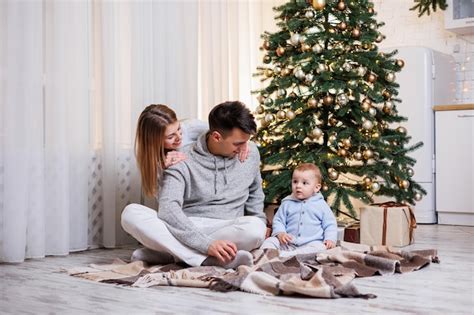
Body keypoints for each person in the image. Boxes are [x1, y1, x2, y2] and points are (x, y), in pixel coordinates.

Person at [122, 101, 266, 268]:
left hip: (227, 226)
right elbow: (169, 209)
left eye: (245, 141)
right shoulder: (178, 159)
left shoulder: (250, 151)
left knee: (255, 228)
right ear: (217, 137)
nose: (243, 147)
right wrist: (207, 245)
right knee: (131, 213)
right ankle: (204, 259)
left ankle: (171, 253)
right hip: (187, 224)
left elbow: (255, 192)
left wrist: (260, 221)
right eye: (238, 143)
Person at [261, 163, 337, 256]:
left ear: (316, 187)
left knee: (320, 248)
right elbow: (278, 220)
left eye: (304, 183)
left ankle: (288, 255)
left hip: (311, 243)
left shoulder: (321, 205)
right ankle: (264, 254)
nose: (298, 186)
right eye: (295, 181)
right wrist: (281, 233)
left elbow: (330, 224)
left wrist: (330, 239)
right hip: (288, 243)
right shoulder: (287, 203)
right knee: (270, 241)